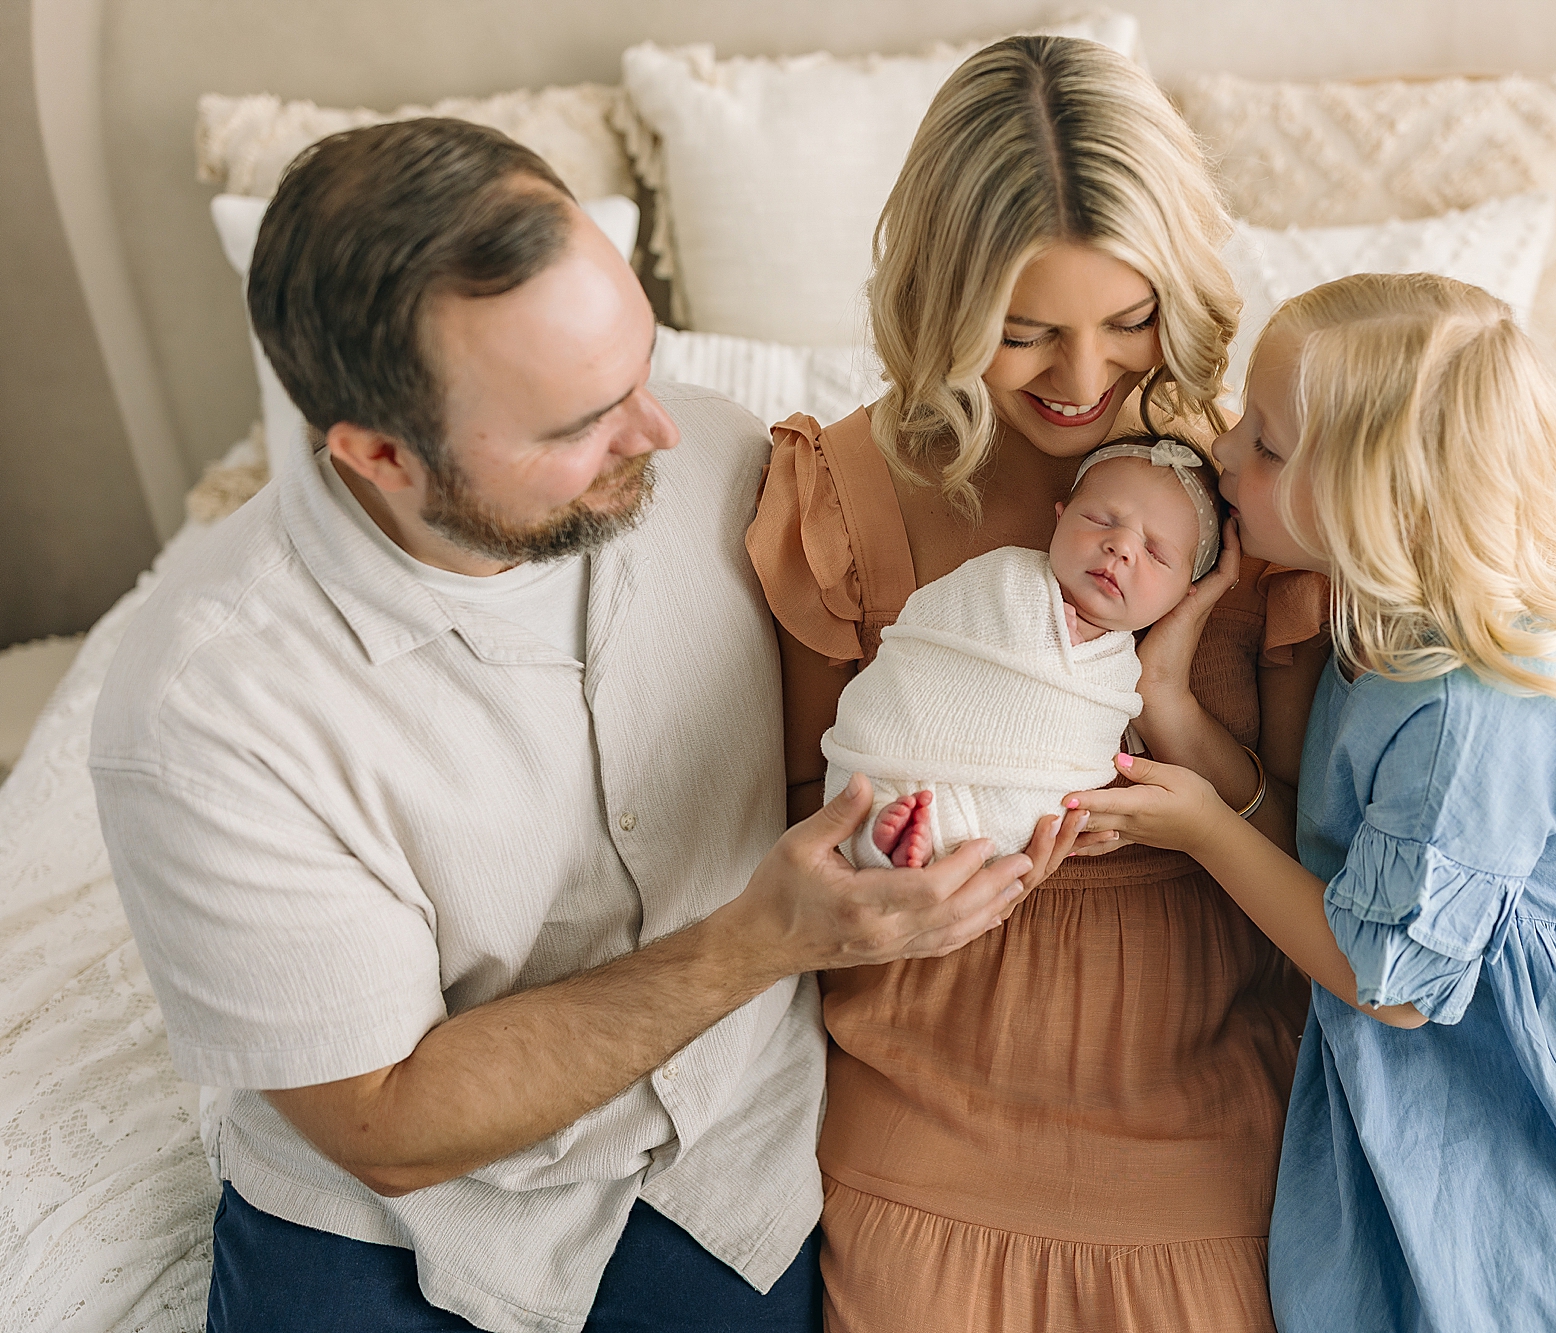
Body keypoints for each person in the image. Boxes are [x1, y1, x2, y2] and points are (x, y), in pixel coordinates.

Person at [88, 118, 1041, 1333]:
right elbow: (386, 1121)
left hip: (727, 1161)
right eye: (573, 423)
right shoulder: (204, 714)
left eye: (640, 365)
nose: (655, 430)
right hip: (406, 1217)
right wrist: (757, 941)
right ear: (380, 454)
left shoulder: (727, 466)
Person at [1072, 272, 1556, 1331]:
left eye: (1266, 447)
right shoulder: (1365, 608)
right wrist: (1170, 709)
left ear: (1376, 500)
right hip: (1408, 963)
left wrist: (1197, 830)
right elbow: (1322, 856)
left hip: (1523, 1034)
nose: (1225, 454)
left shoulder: (1469, 715)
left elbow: (1387, 978)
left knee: (1497, 1289)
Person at [746, 35, 1327, 1331]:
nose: (1080, 383)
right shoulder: (845, 494)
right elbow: (800, 825)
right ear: (945, 312)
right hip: (926, 1054)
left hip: (1200, 1063)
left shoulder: (1253, 493)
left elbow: (1316, 857)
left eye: (1130, 325)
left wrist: (1174, 709)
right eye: (1020, 336)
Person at [831, 437, 1224, 869]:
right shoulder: (1002, 578)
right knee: (872, 794)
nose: (1121, 547)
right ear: (1059, 519)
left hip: (1005, 809)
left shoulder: (1121, 670)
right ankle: (883, 831)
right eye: (1099, 519)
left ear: (1183, 596)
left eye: (1155, 553)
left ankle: (921, 842)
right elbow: (928, 632)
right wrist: (1040, 633)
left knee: (1014, 820)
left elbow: (1097, 749)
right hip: (895, 744)